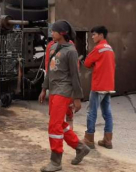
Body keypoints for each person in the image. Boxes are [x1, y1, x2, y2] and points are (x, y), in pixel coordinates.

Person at [39, 20, 89, 171]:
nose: (51, 33)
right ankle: (80, 147)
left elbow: (75, 76)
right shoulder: (54, 47)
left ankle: (56, 161)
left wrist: (77, 98)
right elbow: (49, 70)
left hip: (64, 91)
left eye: (54, 31)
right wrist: (44, 89)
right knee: (59, 124)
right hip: (53, 91)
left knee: (54, 126)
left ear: (62, 33)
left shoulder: (71, 51)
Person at [83, 26, 115, 149]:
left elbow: (86, 63)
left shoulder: (98, 48)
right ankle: (108, 141)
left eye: (94, 34)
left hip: (98, 86)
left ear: (101, 35)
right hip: (108, 85)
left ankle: (89, 139)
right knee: (107, 113)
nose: (92, 37)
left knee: (92, 112)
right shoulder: (110, 49)